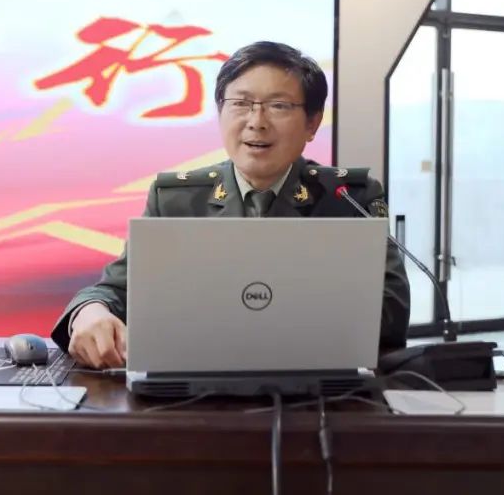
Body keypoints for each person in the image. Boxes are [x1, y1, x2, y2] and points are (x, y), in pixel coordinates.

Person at [50, 41, 410, 368]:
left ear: (312, 123)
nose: (257, 122)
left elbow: (391, 310)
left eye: (279, 106)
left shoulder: (349, 198)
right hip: (195, 387)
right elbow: (116, 290)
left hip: (319, 388)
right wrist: (89, 311)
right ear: (221, 112)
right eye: (241, 104)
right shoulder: (176, 200)